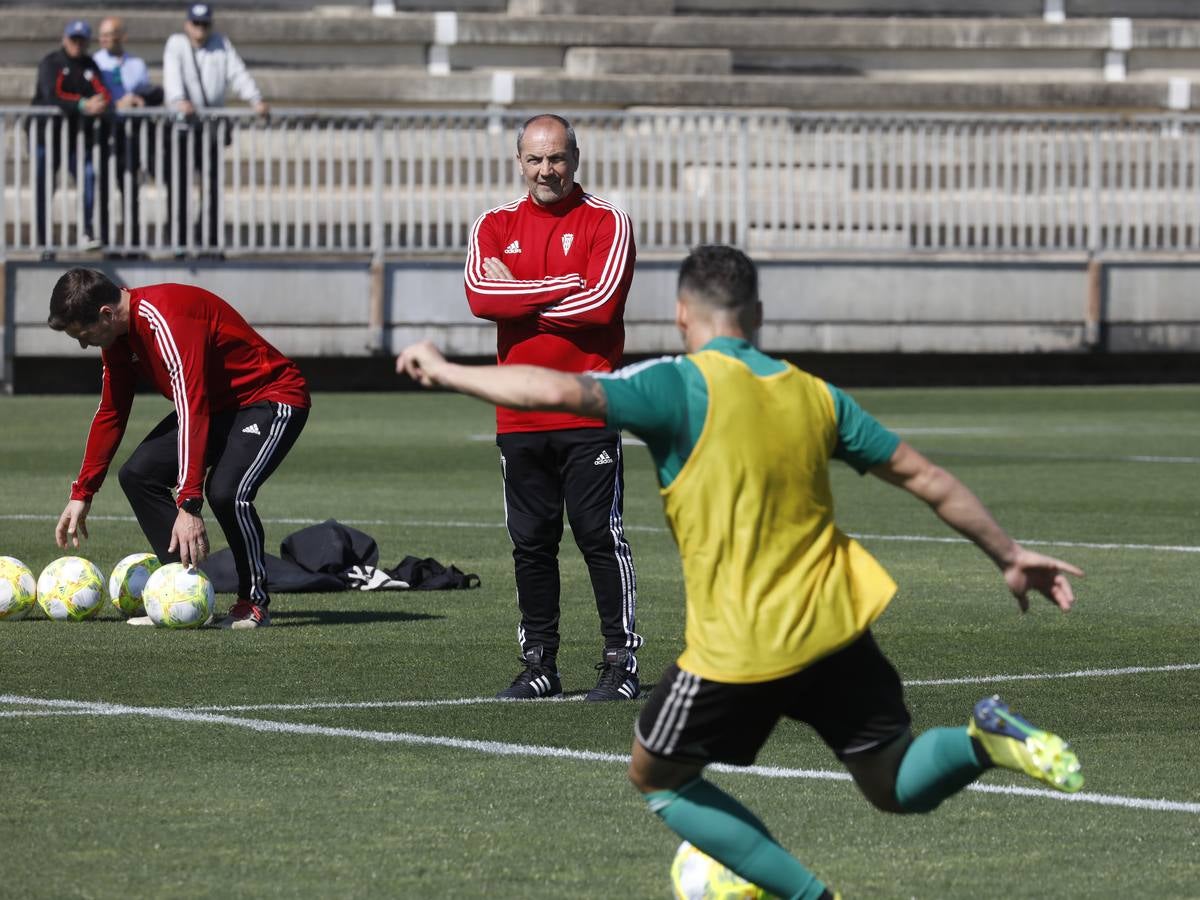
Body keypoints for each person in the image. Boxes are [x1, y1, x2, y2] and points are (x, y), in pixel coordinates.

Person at [398, 245, 1086, 899]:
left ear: (679, 314)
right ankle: (983, 737)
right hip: (835, 625)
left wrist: (449, 369)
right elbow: (925, 477)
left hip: (742, 644)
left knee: (658, 777)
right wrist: (1010, 555)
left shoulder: (676, 384)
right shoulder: (815, 394)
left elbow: (555, 387)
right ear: (756, 316)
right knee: (893, 781)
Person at [463, 113, 641, 701]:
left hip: (588, 409)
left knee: (600, 536)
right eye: (536, 159)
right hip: (518, 414)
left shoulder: (608, 221)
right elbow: (479, 297)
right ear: (520, 162)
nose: (547, 170)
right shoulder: (493, 223)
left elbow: (600, 306)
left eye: (557, 158)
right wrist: (561, 285)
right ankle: (539, 661)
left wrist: (520, 293)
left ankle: (620, 664)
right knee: (532, 543)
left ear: (576, 159)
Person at [49, 268, 310, 629]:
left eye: (83, 334)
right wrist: (83, 491)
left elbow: (192, 405)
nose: (83, 344)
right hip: (217, 408)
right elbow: (111, 411)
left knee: (226, 493)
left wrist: (189, 502)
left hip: (270, 399)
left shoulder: (164, 320)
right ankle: (179, 593)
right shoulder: (118, 340)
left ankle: (254, 603)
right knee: (138, 474)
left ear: (106, 314)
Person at [162, 2, 268, 253]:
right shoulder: (176, 44)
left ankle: (209, 239)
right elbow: (172, 77)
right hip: (183, 129)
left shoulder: (221, 44)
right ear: (188, 24)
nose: (200, 28)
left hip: (210, 129)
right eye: (196, 23)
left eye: (205, 24)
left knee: (212, 187)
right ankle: (180, 239)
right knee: (180, 186)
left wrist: (255, 99)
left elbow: (237, 73)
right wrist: (178, 101)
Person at [32, 19, 110, 257]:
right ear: (64, 39)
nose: (76, 44)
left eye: (81, 40)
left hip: (77, 138)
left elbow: (102, 91)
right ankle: (45, 241)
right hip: (48, 136)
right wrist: (82, 104)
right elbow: (51, 94)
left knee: (88, 176)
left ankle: (86, 229)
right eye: (73, 39)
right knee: (45, 187)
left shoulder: (90, 64)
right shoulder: (52, 62)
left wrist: (101, 102)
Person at [93, 16, 162, 253]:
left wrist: (138, 100)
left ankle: (131, 241)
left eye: (109, 35)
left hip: (130, 134)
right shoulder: (95, 63)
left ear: (122, 37)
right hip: (103, 133)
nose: (104, 40)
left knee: (130, 187)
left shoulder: (136, 64)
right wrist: (115, 103)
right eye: (101, 35)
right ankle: (105, 240)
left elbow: (149, 93)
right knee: (103, 188)